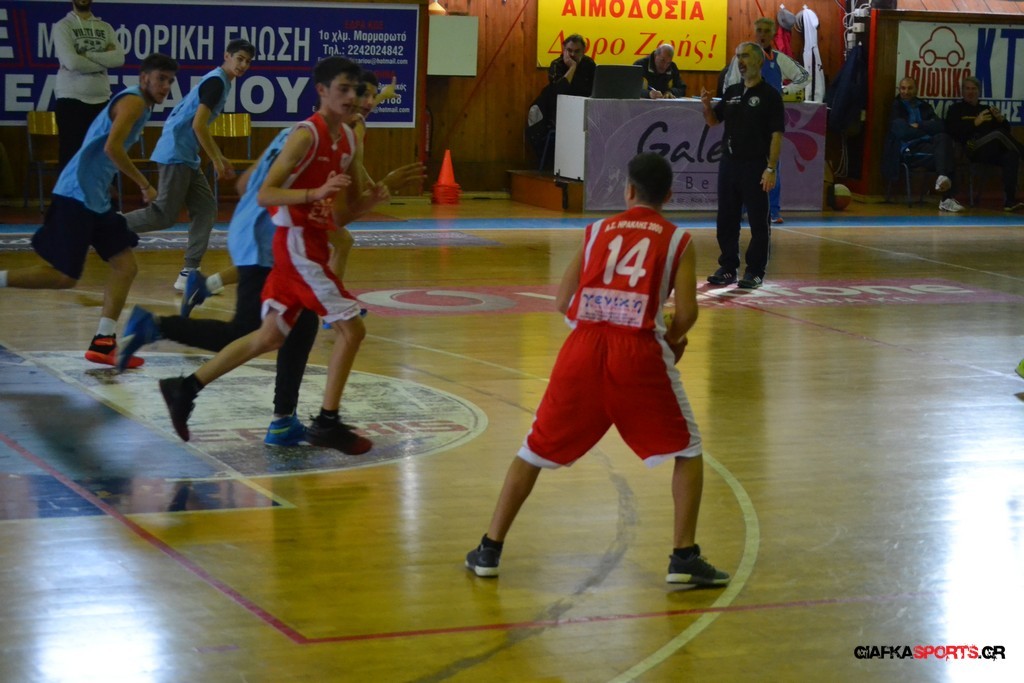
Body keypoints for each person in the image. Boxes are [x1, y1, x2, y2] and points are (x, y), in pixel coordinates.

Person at [465, 152, 729, 587]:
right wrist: (672, 340)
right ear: (668, 196)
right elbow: (687, 313)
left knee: (532, 449)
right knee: (687, 449)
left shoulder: (596, 231)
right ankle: (684, 555)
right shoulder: (678, 240)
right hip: (638, 353)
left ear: (628, 191)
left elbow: (562, 301)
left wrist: (598, 320)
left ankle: (489, 549)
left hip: (582, 350)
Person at [119, 70, 424, 446]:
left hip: (277, 234)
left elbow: (254, 186)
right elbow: (262, 191)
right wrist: (302, 202)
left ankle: (204, 389)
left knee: (276, 333)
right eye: (352, 92)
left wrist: (369, 194)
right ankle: (316, 420)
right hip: (277, 237)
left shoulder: (339, 137)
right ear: (324, 92)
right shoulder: (308, 135)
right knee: (301, 329)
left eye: (367, 95)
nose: (363, 101)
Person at [0, 54, 178, 367]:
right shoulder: (134, 102)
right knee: (64, 277)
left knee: (125, 267)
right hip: (77, 195)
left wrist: (102, 181)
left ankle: (104, 342)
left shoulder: (140, 104)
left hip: (95, 198)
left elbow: (98, 146)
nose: (165, 86)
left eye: (170, 81)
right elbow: (112, 147)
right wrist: (145, 185)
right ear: (144, 77)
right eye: (161, 79)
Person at [123, 39, 255, 291]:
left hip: (186, 155)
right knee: (163, 215)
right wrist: (216, 158)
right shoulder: (217, 82)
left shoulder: (220, 81)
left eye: (248, 62)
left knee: (205, 209)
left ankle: (189, 272)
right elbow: (198, 124)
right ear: (227, 56)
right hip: (176, 152)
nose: (243, 65)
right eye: (239, 58)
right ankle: (106, 226)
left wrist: (215, 156)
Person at [703, 43, 784, 290]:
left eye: (745, 56)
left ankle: (755, 271)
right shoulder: (732, 91)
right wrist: (706, 106)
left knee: (758, 221)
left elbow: (777, 134)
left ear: (759, 61)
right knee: (726, 219)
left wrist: (771, 168)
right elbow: (714, 121)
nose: (740, 61)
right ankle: (728, 267)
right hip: (729, 164)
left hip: (755, 165)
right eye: (738, 56)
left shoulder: (770, 95)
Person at [724, 17, 809, 224]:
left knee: (772, 164)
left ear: (772, 34)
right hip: (746, 118)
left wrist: (784, 91)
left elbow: (804, 76)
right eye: (759, 30)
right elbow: (730, 84)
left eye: (766, 31)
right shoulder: (741, 58)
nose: (762, 34)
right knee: (744, 164)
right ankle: (741, 207)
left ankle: (773, 211)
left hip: (770, 119)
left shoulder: (779, 59)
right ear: (755, 33)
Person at [53, 0, 126, 171]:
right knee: (71, 158)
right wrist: (103, 59)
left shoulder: (105, 27)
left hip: (101, 99)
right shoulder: (63, 26)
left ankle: (103, 190)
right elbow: (72, 62)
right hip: (71, 99)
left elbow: (118, 59)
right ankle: (68, 191)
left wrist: (85, 54)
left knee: (102, 157)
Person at [882, 77, 964, 213]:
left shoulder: (924, 106)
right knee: (946, 155)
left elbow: (940, 126)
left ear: (916, 89)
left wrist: (919, 125)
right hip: (909, 150)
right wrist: (927, 130)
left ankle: (942, 178)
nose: (906, 92)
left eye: (910, 88)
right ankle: (946, 198)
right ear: (899, 89)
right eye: (903, 88)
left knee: (944, 138)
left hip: (927, 145)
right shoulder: (896, 107)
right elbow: (903, 132)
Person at [944, 76, 1024, 212]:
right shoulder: (955, 109)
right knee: (998, 134)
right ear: (962, 91)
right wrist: (974, 123)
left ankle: (1009, 201)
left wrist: (1002, 120)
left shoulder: (986, 109)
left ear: (979, 91)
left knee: (1011, 155)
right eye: (967, 89)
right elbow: (953, 131)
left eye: (973, 89)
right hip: (971, 148)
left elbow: (1007, 134)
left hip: (992, 150)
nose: (970, 92)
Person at [526, 34, 597, 167]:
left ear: (584, 51)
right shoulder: (557, 65)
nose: (572, 54)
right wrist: (572, 67)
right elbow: (560, 90)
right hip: (559, 112)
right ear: (563, 49)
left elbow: (595, 88)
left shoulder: (589, 64)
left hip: (584, 109)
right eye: (569, 50)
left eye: (577, 51)